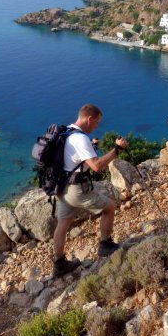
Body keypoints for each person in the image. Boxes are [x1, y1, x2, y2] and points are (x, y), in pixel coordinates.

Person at [52, 103, 128, 277]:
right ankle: (105, 245)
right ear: (89, 119)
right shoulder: (80, 139)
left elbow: (73, 157)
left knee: (63, 224)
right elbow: (97, 166)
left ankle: (58, 263)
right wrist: (116, 150)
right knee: (110, 207)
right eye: (96, 122)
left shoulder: (67, 131)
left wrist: (92, 147)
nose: (96, 126)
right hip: (77, 190)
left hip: (62, 187)